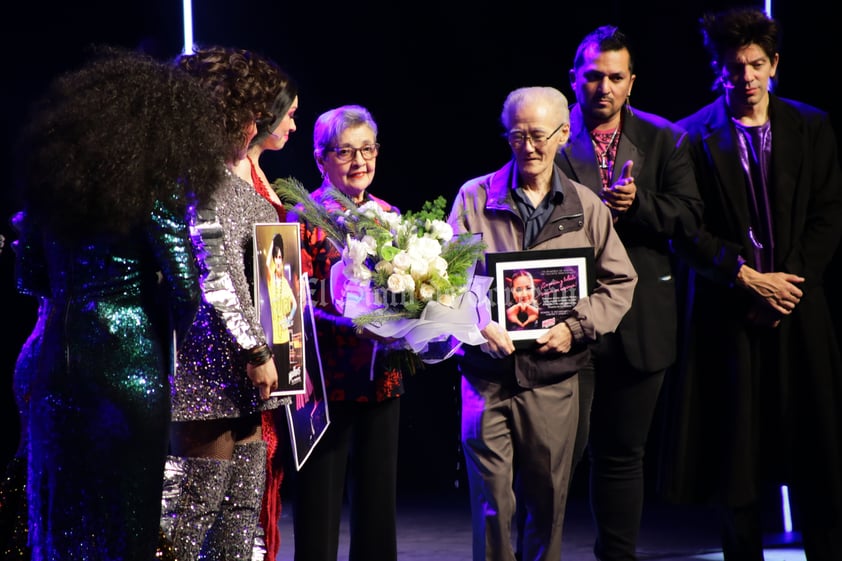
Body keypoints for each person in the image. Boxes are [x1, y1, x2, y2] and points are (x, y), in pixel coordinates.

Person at [9, 46, 226, 561]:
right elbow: (186, 289)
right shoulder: (152, 186)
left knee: (57, 513)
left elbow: (29, 278)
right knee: (126, 517)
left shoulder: (53, 189)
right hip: (125, 362)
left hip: (48, 359)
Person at [660, 7, 842, 560]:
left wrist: (788, 288)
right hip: (730, 314)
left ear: (775, 64)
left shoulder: (811, 126)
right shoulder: (690, 136)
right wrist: (747, 280)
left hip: (799, 311)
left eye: (757, 65)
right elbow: (687, 230)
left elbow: (827, 215)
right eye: (736, 67)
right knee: (736, 459)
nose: (747, 78)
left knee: (817, 453)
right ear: (719, 69)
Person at [447, 86, 637, 561]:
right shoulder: (475, 197)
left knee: (547, 504)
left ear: (563, 134)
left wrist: (575, 327)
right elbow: (444, 284)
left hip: (554, 380)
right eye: (517, 136)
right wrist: (475, 322)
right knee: (492, 504)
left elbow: (620, 283)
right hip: (486, 377)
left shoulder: (586, 206)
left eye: (539, 135)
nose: (529, 147)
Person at [552, 25, 703, 561]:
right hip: (566, 315)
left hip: (642, 318)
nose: (604, 87)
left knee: (622, 454)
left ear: (632, 81)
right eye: (593, 76)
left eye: (616, 77)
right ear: (574, 78)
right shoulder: (547, 136)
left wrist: (639, 204)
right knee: (556, 457)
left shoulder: (667, 139)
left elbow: (689, 218)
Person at [160, 45, 284, 561]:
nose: (257, 125)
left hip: (244, 383)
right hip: (202, 379)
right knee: (188, 526)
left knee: (238, 523)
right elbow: (217, 275)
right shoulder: (194, 182)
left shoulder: (243, 187)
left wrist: (279, 349)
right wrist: (257, 351)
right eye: (251, 115)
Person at [285, 104, 407, 561]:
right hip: (324, 382)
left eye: (368, 149)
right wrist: (354, 324)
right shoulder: (302, 218)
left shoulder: (390, 217)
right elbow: (294, 307)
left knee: (378, 503)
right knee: (318, 503)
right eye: (345, 151)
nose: (360, 161)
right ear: (321, 159)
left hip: (382, 376)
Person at [229, 52, 298, 561]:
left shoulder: (260, 174)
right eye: (290, 114)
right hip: (243, 353)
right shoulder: (235, 176)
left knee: (259, 482)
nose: (294, 123)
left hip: (273, 345)